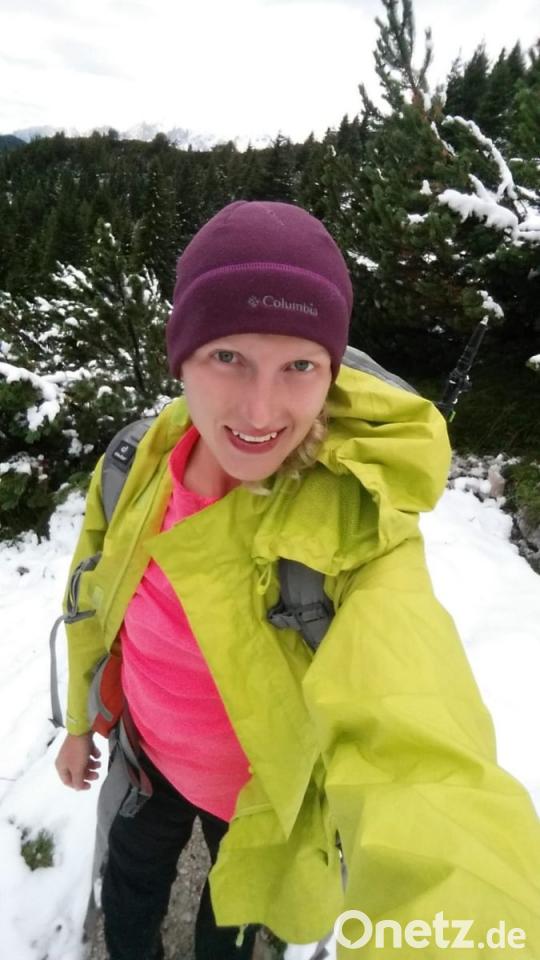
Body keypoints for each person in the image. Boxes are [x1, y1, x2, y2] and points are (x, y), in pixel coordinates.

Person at [55, 200, 540, 960]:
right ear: (180, 356)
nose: (260, 410)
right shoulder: (134, 462)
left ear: (331, 371)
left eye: (299, 366)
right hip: (146, 763)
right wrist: (82, 725)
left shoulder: (354, 520)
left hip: (257, 807)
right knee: (130, 893)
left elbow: (420, 748)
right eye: (228, 356)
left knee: (228, 930)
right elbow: (90, 598)